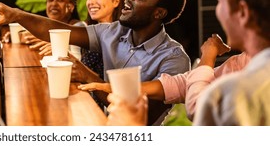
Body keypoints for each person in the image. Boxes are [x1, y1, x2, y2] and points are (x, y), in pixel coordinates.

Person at [0, 0, 191, 125]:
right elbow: (58, 30)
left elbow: (142, 118)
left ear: (159, 13)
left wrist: (88, 76)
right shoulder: (114, 31)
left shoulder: (173, 59)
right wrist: (15, 15)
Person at [105, 0, 270, 126]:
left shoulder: (233, 96)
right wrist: (124, 88)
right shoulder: (244, 62)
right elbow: (187, 83)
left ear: (242, 12)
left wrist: (132, 124)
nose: (217, 10)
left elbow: (198, 105)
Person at [79, 33, 250, 120]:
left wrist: (208, 56)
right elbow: (184, 84)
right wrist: (119, 87)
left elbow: (198, 108)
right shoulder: (247, 59)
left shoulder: (174, 55)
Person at [4, 0, 86, 60]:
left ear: (70, 7)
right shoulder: (46, 25)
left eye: (60, 0)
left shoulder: (78, 27)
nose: (54, 4)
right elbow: (26, 36)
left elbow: (78, 59)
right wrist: (13, 35)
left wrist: (49, 41)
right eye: (50, 0)